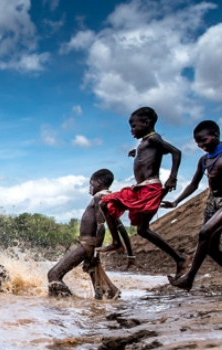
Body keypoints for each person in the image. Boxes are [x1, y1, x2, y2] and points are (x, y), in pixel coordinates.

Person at [98, 106, 189, 277]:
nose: (132, 130)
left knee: (107, 204)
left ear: (147, 123)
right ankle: (179, 259)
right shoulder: (146, 143)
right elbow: (155, 154)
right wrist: (138, 152)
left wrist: (173, 177)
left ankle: (180, 258)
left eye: (134, 126)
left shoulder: (154, 138)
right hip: (141, 188)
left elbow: (176, 152)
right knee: (139, 228)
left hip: (149, 188)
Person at [164, 120, 222, 290]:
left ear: (216, 135)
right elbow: (193, 185)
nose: (200, 145)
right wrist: (176, 201)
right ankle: (188, 278)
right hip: (213, 202)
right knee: (210, 247)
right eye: (197, 142)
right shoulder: (204, 160)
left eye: (203, 140)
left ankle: (189, 279)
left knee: (205, 232)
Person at [48, 169, 120, 299]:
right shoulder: (106, 197)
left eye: (91, 183)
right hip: (88, 245)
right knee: (98, 287)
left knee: (53, 275)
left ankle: (63, 305)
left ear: (98, 183)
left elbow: (101, 226)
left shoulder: (99, 197)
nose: (89, 188)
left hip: (88, 245)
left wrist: (95, 252)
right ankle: (96, 307)